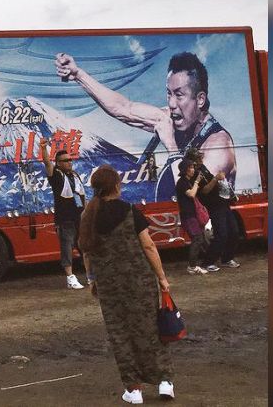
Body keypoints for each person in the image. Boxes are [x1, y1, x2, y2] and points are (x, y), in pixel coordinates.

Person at [56, 50, 236, 201]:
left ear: (200, 99)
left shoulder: (218, 145)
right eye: (169, 94)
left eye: (179, 95)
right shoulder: (171, 118)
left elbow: (191, 194)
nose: (172, 103)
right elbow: (124, 108)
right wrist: (78, 75)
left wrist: (171, 147)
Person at [79, 166, 174, 404]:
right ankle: (164, 382)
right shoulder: (131, 211)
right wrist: (161, 276)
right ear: (116, 186)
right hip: (140, 281)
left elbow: (86, 254)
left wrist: (92, 280)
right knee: (150, 329)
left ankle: (134, 389)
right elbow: (149, 246)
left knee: (120, 334)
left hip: (109, 286)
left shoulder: (87, 217)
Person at [40, 139, 92, 289]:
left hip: (80, 217)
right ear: (59, 163)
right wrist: (44, 149)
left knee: (85, 246)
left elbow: (82, 196)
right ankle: (70, 277)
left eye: (70, 159)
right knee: (67, 247)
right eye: (66, 160)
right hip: (65, 218)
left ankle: (90, 276)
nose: (69, 162)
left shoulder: (74, 175)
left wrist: (87, 213)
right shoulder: (56, 176)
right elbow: (47, 164)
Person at [194, 149, 240, 272]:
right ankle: (208, 262)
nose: (200, 159)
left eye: (200, 157)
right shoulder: (195, 174)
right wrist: (215, 179)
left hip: (223, 203)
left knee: (234, 231)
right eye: (197, 158)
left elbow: (214, 184)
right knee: (221, 234)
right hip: (214, 207)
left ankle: (227, 258)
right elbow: (204, 191)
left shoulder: (203, 168)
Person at [175, 159, 209, 275]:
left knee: (201, 239)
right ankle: (192, 266)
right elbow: (191, 194)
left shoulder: (187, 181)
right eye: (190, 167)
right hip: (188, 215)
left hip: (192, 215)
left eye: (193, 167)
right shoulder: (182, 182)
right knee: (197, 239)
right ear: (185, 170)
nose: (193, 170)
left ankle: (208, 261)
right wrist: (197, 182)